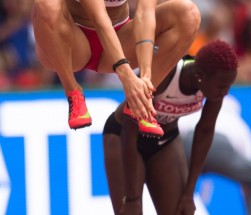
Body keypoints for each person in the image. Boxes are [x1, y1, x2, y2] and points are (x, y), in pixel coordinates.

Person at [103, 40, 238, 215]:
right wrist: (132, 198)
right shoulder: (167, 72)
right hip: (124, 136)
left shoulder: (214, 86)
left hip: (165, 141)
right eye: (223, 86)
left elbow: (205, 131)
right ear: (200, 75)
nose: (226, 91)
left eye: (229, 86)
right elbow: (129, 127)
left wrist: (189, 193)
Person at [30, 0, 200, 133]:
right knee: (46, 3)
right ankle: (73, 92)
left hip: (119, 37)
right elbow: (99, 18)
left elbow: (144, 15)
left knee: (187, 13)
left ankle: (141, 101)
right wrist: (125, 74)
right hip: (72, 44)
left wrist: (145, 78)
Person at [180, 95, 251, 215]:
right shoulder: (239, 124)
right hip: (220, 150)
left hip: (189, 145)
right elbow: (248, 181)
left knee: (174, 184)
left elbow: (176, 138)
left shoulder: (193, 112)